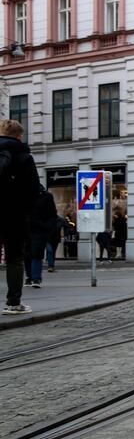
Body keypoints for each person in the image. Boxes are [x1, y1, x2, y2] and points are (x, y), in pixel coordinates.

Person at [1, 119, 40, 314]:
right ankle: (13, 303)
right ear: (19, 135)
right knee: (14, 258)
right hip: (14, 215)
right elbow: (34, 189)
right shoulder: (24, 156)